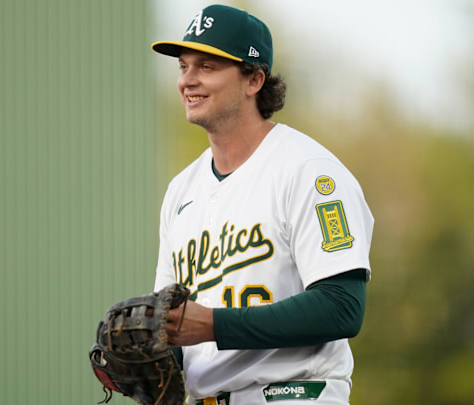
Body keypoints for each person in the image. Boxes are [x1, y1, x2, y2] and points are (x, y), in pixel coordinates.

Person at [151, 4, 374, 405]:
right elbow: (182, 328)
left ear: (254, 79)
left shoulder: (310, 171)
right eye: (183, 66)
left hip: (293, 395)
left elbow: (342, 307)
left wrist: (213, 325)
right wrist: (152, 351)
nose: (188, 80)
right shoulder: (180, 192)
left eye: (207, 66)